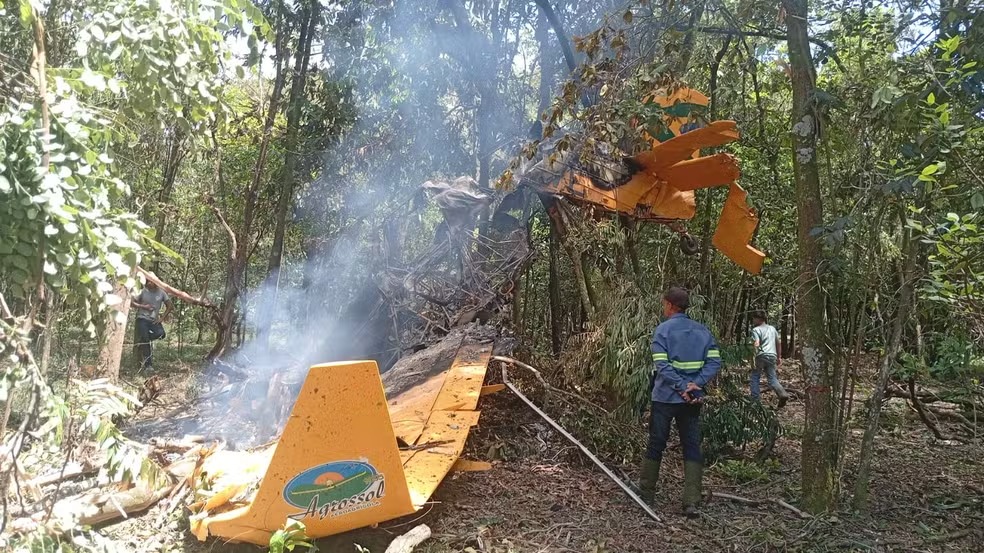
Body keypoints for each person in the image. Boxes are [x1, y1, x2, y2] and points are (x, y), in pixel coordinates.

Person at [639, 287, 721, 517]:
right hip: (692, 399)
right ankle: (691, 500)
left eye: (663, 304)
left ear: (669, 305)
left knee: (657, 442)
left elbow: (662, 366)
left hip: (665, 397)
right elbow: (714, 362)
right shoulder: (702, 331)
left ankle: (646, 492)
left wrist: (680, 386)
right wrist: (696, 384)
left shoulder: (662, 331)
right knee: (692, 444)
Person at [748, 310, 789, 408]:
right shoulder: (772, 329)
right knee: (772, 378)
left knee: (755, 377)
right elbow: (778, 343)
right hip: (772, 356)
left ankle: (755, 401)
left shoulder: (756, 330)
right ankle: (782, 393)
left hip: (760, 355)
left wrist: (752, 357)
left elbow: (756, 343)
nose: (753, 321)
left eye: (754, 319)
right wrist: (779, 357)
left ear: (758, 319)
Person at [132, 278, 172, 371]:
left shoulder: (161, 293)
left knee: (161, 334)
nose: (149, 283)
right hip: (142, 319)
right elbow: (132, 302)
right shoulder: (143, 291)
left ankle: (142, 339)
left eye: (151, 281)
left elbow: (170, 305)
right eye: (148, 281)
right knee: (146, 341)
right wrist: (143, 306)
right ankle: (148, 365)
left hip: (153, 320)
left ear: (156, 283)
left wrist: (162, 318)